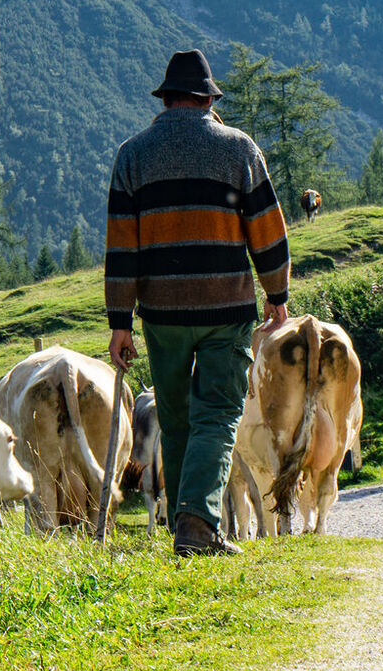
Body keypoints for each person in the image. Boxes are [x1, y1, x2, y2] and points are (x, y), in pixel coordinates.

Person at [105, 48, 291, 557]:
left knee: (176, 417)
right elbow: (267, 230)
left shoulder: (132, 155)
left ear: (166, 99)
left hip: (161, 315)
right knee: (218, 412)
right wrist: (276, 294)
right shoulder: (239, 149)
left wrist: (120, 322)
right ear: (209, 100)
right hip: (225, 309)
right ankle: (196, 524)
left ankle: (187, 525)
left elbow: (121, 247)